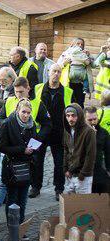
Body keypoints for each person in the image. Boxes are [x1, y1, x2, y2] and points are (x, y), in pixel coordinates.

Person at [29, 64, 74, 200]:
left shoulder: (67, 91)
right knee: (36, 160)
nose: (56, 74)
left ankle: (59, 189)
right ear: (49, 72)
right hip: (40, 132)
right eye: (54, 71)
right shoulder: (38, 88)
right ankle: (36, 187)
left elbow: (73, 111)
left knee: (59, 162)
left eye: (59, 72)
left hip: (59, 132)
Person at [0, 99, 37, 227]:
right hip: (12, 167)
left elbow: (34, 141)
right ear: (17, 111)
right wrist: (22, 150)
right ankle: (12, 226)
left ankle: (20, 226)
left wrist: (33, 149)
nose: (26, 115)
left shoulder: (32, 125)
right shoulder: (8, 124)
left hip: (26, 166)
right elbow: (2, 147)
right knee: (12, 198)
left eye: (28, 113)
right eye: (23, 112)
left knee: (23, 199)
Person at [63, 104, 96, 194]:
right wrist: (65, 169)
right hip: (70, 175)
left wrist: (83, 174)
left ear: (79, 116)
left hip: (83, 177)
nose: (70, 119)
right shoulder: (67, 130)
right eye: (68, 116)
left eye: (73, 116)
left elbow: (90, 155)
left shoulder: (89, 132)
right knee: (70, 205)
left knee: (83, 206)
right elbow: (66, 150)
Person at [58, 38, 94, 107]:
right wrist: (64, 63)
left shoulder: (84, 54)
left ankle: (80, 117)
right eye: (78, 43)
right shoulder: (66, 54)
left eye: (82, 44)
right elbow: (57, 66)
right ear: (72, 44)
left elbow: (93, 65)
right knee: (67, 104)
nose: (80, 45)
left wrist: (89, 55)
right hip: (68, 84)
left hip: (80, 85)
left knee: (79, 105)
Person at [84, 107, 109, 194]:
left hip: (98, 170)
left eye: (95, 119)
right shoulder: (79, 132)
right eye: (90, 120)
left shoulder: (103, 133)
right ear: (84, 119)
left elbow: (108, 153)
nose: (93, 122)